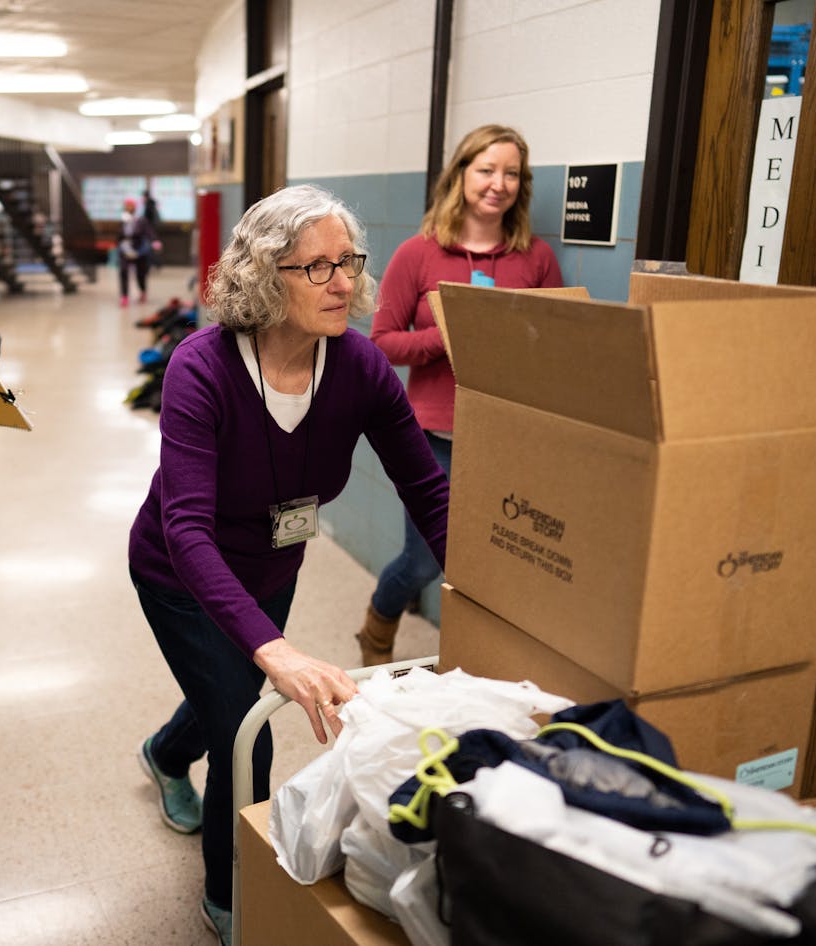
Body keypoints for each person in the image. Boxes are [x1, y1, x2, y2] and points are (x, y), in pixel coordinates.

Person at [129, 184, 449, 945]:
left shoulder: (360, 367)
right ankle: (230, 897)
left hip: (274, 563)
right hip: (181, 575)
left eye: (349, 262)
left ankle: (165, 751)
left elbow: (426, 489)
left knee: (229, 693)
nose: (345, 283)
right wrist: (276, 650)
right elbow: (186, 529)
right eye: (318, 268)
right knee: (250, 721)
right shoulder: (200, 369)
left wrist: (485, 589)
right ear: (265, 276)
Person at [357, 124, 562, 666]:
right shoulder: (418, 255)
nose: (499, 184)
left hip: (505, 438)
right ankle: (377, 628)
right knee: (424, 562)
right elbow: (380, 345)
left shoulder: (535, 259)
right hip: (433, 436)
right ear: (461, 174)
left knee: (497, 561)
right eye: (487, 170)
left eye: (512, 173)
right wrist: (448, 335)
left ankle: (475, 661)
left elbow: (559, 344)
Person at [117, 196, 159, 306]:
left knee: (141, 273)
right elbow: (119, 235)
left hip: (139, 249)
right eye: (127, 206)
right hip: (125, 248)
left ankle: (143, 291)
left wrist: (154, 241)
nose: (129, 208)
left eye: (131, 206)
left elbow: (148, 231)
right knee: (123, 271)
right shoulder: (123, 219)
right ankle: (124, 296)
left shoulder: (141, 220)